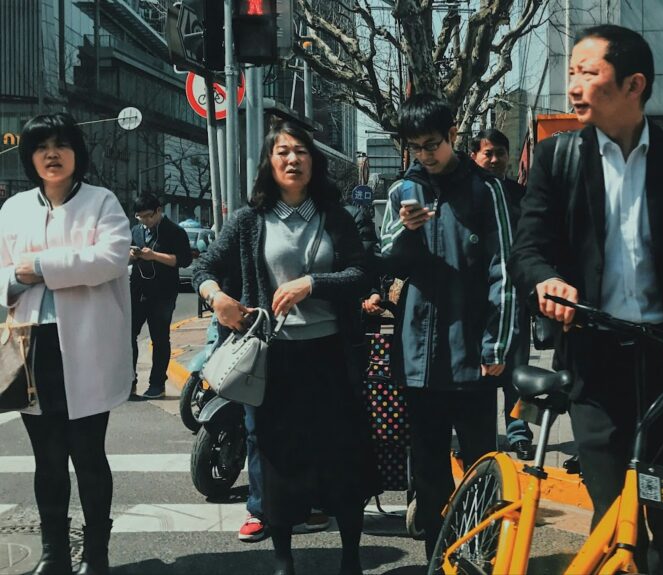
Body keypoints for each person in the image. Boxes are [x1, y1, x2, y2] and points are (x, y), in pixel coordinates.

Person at [509, 25, 663, 574]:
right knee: (615, 527)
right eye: (570, 72)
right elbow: (528, 249)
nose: (573, 85)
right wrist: (545, 281)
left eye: (587, 72)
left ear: (634, 85)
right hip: (595, 367)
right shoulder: (557, 159)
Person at [193, 120, 379, 575]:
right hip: (273, 361)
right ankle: (283, 559)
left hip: (331, 357)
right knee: (276, 460)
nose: (292, 159)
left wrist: (310, 284)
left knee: (340, 456)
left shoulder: (336, 215)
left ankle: (351, 557)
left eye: (301, 152)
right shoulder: (249, 219)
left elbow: (362, 274)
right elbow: (203, 265)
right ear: (269, 162)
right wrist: (216, 297)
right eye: (282, 152)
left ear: (313, 162)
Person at [379, 93, 516, 559]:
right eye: (415, 146)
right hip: (417, 354)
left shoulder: (486, 189)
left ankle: (481, 552)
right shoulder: (403, 190)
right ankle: (439, 556)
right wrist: (405, 229)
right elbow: (386, 260)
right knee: (430, 468)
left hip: (473, 353)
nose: (425, 154)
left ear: (454, 134)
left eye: (432, 144)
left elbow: (504, 270)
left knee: (481, 463)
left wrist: (497, 344)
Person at [0, 112, 133, 575]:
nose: (51, 155)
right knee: (47, 460)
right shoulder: (13, 208)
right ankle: (54, 553)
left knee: (89, 456)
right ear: (29, 156)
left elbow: (112, 258)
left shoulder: (101, 201)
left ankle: (96, 555)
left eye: (60, 145)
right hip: (30, 349)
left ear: (77, 153)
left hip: (87, 348)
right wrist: (14, 279)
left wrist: (37, 267)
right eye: (40, 147)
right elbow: (2, 271)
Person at [470, 127, 535, 460]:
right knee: (480, 373)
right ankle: (481, 437)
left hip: (514, 299)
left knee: (517, 372)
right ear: (473, 156)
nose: (495, 159)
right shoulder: (466, 194)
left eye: (500, 153)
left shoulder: (519, 194)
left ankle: (519, 432)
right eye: (487, 153)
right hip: (475, 301)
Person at [128, 193, 191, 399]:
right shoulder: (136, 231)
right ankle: (129, 380)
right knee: (128, 336)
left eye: (148, 216)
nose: (145, 221)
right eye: (140, 217)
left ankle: (157, 384)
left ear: (158, 211)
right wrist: (130, 255)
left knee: (160, 338)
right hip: (137, 290)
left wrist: (154, 256)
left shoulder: (174, 232)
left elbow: (183, 260)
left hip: (163, 293)